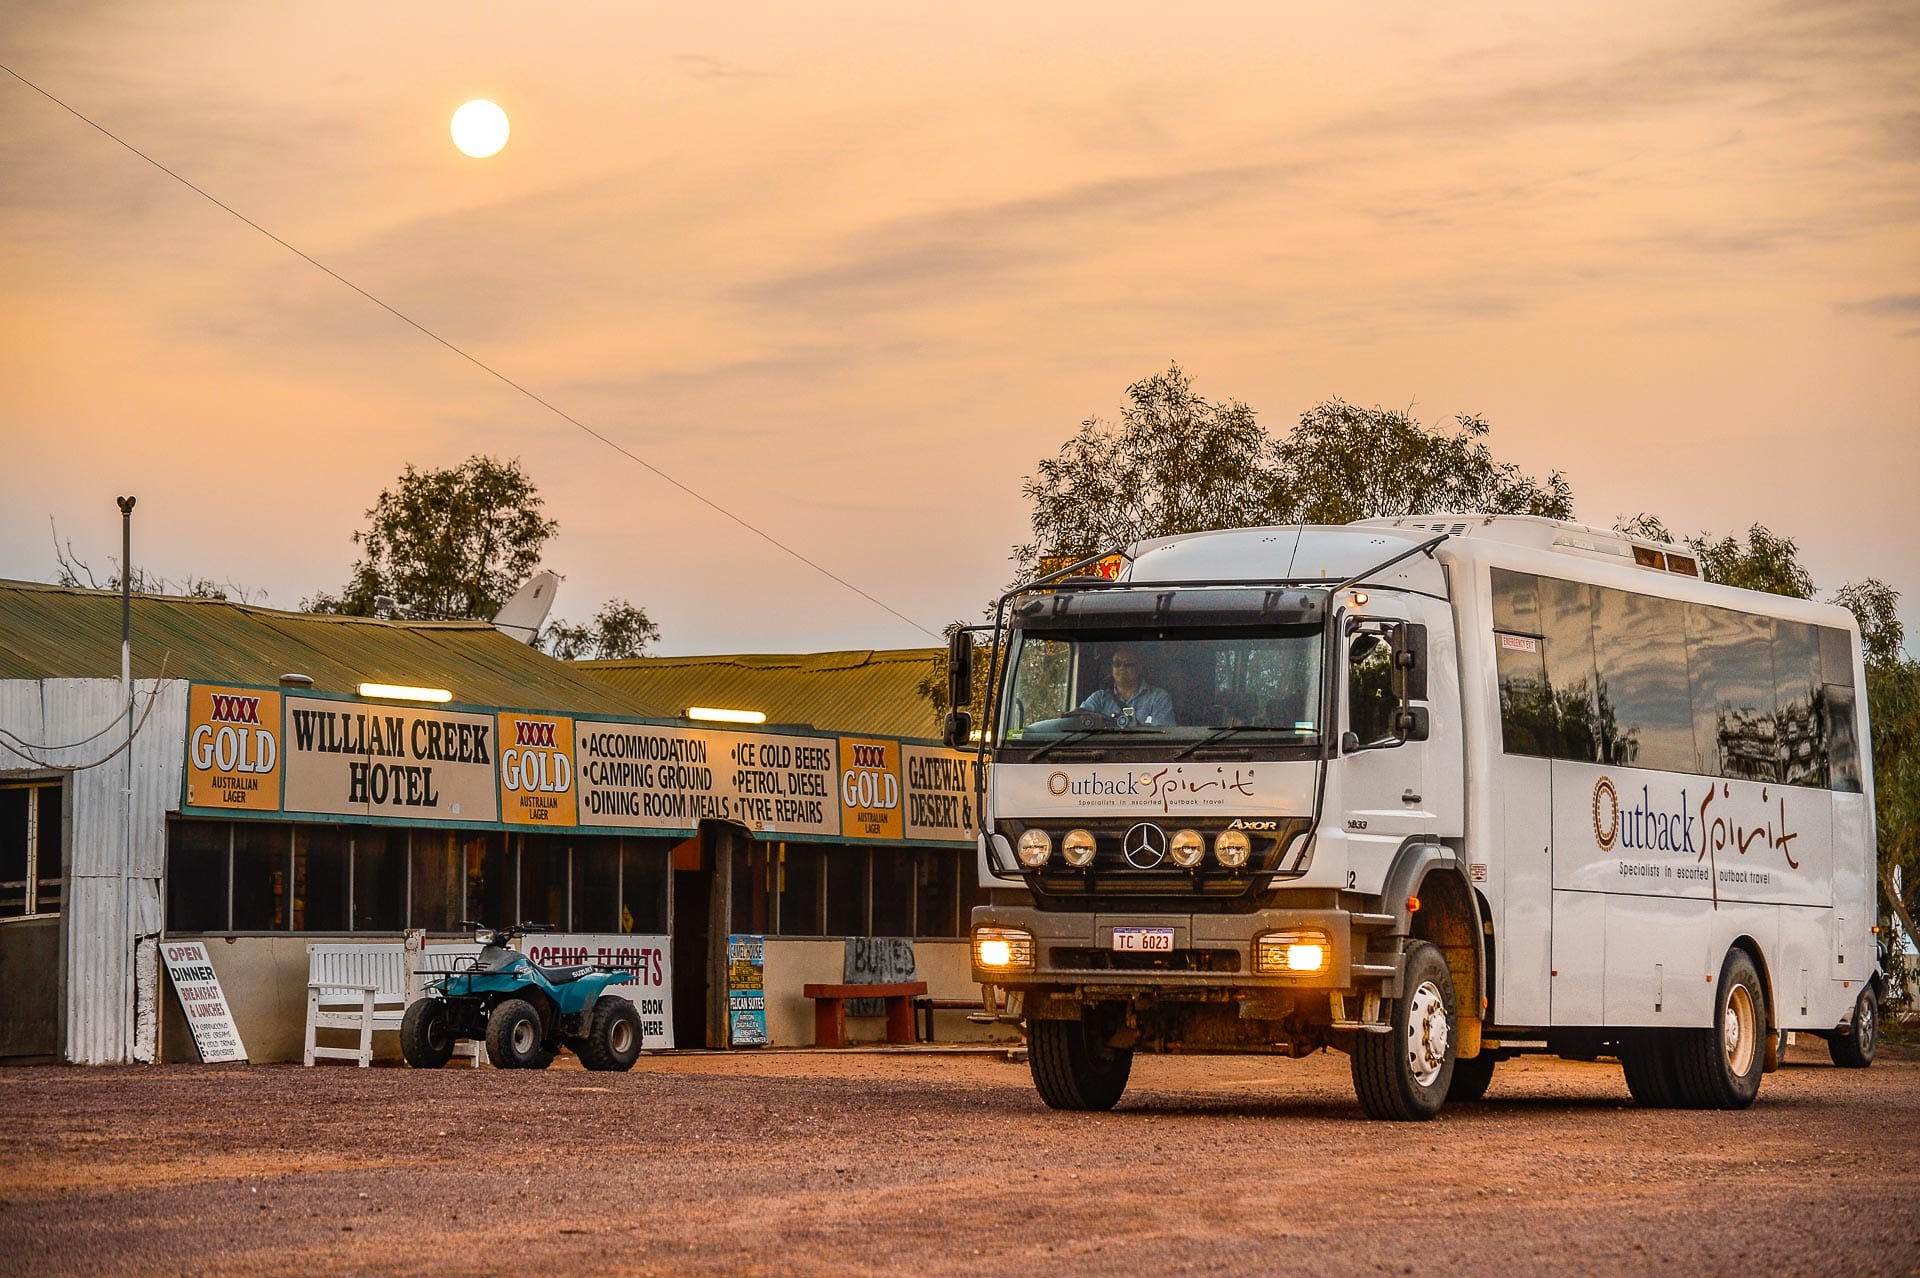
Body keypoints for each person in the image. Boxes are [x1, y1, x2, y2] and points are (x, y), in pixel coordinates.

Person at [1081, 648, 1176, 726]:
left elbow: (1163, 738)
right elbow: (1075, 720)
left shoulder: (1158, 698)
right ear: (1112, 669)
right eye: (1117, 664)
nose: (1122, 668)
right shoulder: (1099, 698)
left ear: (1139, 668)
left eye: (1128, 664)